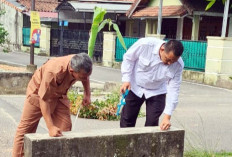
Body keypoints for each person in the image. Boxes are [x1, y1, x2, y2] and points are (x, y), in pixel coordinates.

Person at [12, 53, 92, 157]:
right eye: (82, 77)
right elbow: (43, 99)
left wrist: (87, 94)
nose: (85, 79)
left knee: (65, 128)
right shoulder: (53, 71)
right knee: (26, 129)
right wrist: (50, 127)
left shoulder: (80, 62)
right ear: (72, 71)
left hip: (59, 94)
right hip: (38, 93)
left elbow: (85, 76)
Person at [120, 37, 184, 131]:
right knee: (127, 119)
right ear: (162, 49)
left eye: (173, 61)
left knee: (152, 124)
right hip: (135, 87)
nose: (169, 63)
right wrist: (126, 79)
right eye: (168, 59)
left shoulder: (178, 65)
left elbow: (174, 90)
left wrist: (167, 117)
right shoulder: (145, 45)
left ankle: (147, 145)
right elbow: (129, 58)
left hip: (157, 91)